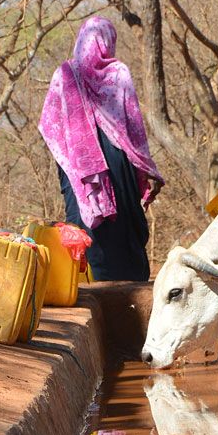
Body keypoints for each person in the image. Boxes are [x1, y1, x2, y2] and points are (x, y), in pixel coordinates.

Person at [38, 15, 164, 281]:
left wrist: (73, 157)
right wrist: (145, 164)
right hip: (119, 161)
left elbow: (50, 125)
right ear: (109, 42)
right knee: (124, 227)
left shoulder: (65, 74)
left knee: (84, 227)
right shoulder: (118, 73)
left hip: (80, 168)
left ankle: (86, 284)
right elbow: (134, 127)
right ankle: (130, 285)